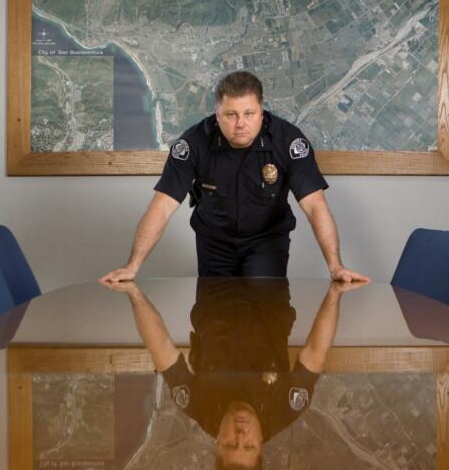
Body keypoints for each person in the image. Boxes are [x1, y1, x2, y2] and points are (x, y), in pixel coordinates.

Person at [100, 71, 369, 282]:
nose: (241, 123)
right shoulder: (193, 143)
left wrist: (335, 266)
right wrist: (132, 266)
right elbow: (162, 206)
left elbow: (314, 205)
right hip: (214, 243)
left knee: (266, 318)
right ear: (217, 115)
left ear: (261, 112)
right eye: (231, 114)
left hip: (266, 241)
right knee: (213, 323)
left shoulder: (288, 141)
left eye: (249, 113)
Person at [101, 277, 366, 469]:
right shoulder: (286, 409)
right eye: (248, 446)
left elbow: (162, 350)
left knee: (218, 208)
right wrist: (335, 293)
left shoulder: (198, 405)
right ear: (262, 444)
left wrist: (134, 293)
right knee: (261, 212)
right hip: (267, 288)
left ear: (217, 443)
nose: (240, 435)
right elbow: (315, 353)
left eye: (230, 445)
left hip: (215, 286)